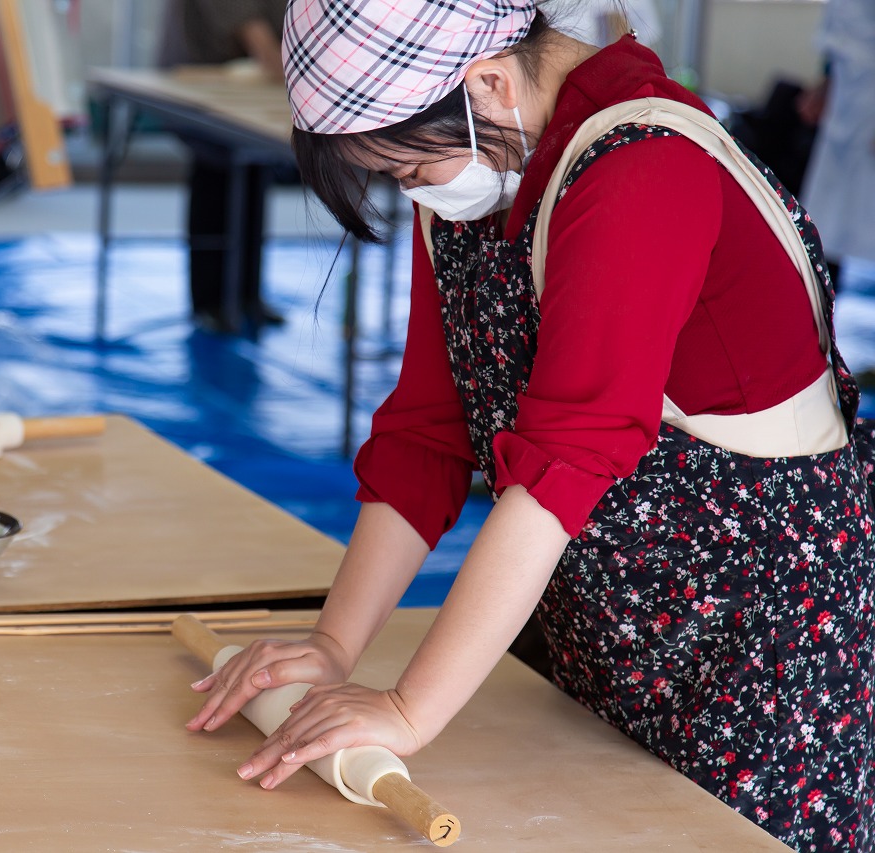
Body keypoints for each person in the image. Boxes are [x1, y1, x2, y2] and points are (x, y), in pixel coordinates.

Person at [185, 1, 875, 849]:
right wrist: (334, 643)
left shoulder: (646, 170)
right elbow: (426, 430)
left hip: (760, 656)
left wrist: (408, 708)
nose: (413, 192)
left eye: (408, 170)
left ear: (489, 82)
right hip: (609, 634)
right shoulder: (482, 170)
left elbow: (565, 462)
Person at [158, 0, 289, 333]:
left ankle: (246, 293)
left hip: (251, 72)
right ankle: (210, 300)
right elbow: (244, 19)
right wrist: (274, 59)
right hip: (207, 66)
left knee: (254, 174)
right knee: (215, 175)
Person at [799, 0, 875, 292]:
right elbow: (839, 31)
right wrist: (825, 83)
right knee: (825, 225)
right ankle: (825, 304)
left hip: (867, 99)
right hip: (848, 90)